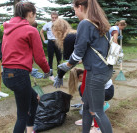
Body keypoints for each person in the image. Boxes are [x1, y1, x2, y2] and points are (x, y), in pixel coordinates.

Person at [54, 0, 113, 132]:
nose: (75, 13)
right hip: (105, 70)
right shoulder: (101, 22)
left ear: (80, 7)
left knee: (97, 111)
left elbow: (77, 53)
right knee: (86, 105)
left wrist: (67, 65)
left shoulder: (85, 24)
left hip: (95, 73)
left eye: (74, 10)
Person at [1, 2, 50, 133]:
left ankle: (30, 130)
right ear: (30, 14)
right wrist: (47, 71)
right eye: (35, 15)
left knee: (34, 99)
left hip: (6, 74)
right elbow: (40, 57)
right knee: (22, 115)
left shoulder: (7, 29)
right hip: (19, 75)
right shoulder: (31, 30)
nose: (35, 17)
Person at [69, 68, 114, 133]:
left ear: (80, 76)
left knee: (92, 104)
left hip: (108, 92)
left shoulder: (89, 76)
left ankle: (97, 128)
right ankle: (88, 119)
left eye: (79, 80)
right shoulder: (88, 71)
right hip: (101, 89)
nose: (80, 82)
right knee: (84, 91)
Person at [40, 11, 62, 81]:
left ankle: (59, 73)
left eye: (55, 18)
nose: (54, 19)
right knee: (50, 59)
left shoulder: (60, 24)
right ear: (51, 17)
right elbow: (41, 32)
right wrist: (44, 40)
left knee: (59, 58)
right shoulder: (47, 24)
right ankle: (51, 75)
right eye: (53, 18)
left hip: (58, 42)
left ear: (57, 17)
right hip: (50, 42)